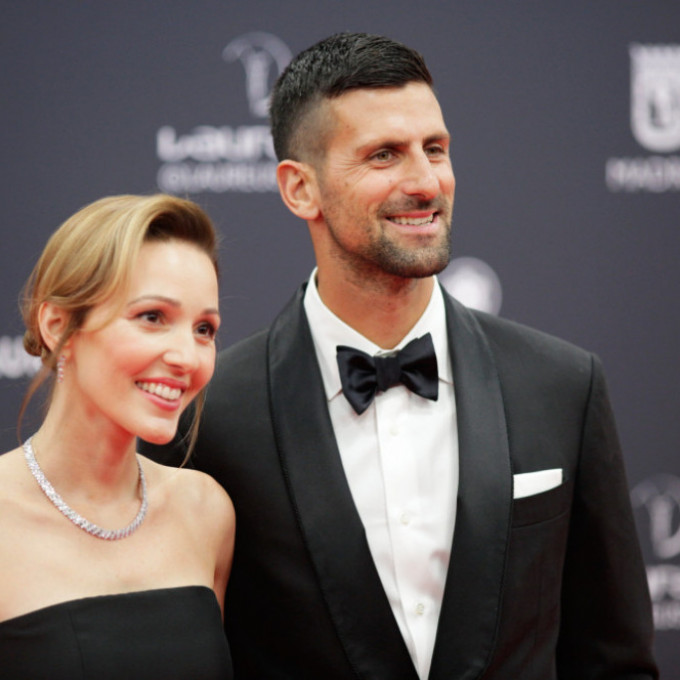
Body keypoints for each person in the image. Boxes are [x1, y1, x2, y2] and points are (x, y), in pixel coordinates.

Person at [143, 33, 658, 679]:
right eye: (384, 155)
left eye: (435, 149)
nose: (425, 182)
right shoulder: (206, 417)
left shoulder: (561, 385)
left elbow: (614, 660)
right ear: (300, 189)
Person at [0, 194, 235, 679]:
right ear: (58, 325)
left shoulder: (205, 511)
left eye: (204, 329)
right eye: (152, 317)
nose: (187, 357)